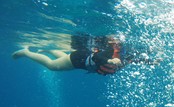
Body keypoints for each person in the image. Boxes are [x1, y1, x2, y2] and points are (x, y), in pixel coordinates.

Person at [12, 34, 155, 75]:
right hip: (78, 60)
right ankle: (26, 52)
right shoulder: (112, 51)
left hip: (81, 59)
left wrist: (150, 62)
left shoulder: (126, 55)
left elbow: (136, 60)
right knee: (52, 66)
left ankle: (48, 50)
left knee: (63, 58)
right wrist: (110, 62)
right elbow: (96, 57)